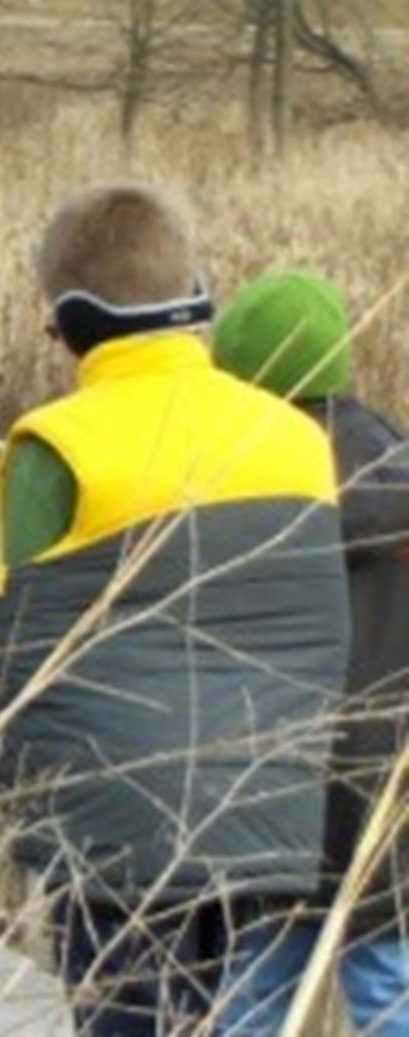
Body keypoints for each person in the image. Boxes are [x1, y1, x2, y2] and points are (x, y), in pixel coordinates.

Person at [0, 184, 349, 1036]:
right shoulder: (297, 438)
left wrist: (16, 800)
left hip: (118, 838)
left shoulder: (54, 446)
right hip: (264, 813)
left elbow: (21, 654)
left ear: (70, 322)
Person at [210, 271, 409, 1037]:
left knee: (259, 980)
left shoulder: (252, 484)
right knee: (385, 977)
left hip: (277, 782)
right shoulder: (394, 460)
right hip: (388, 784)